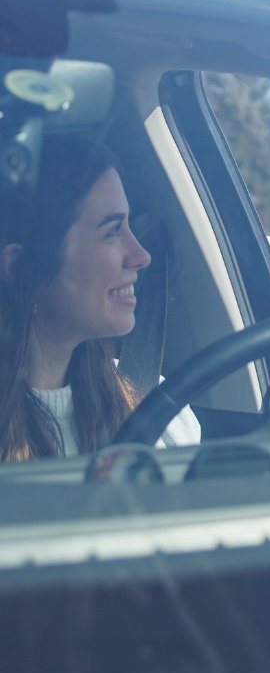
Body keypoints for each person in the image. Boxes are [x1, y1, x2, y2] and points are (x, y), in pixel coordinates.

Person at [0, 135, 200, 461]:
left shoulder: (159, 410)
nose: (141, 255)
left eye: (130, 227)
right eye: (112, 231)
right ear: (22, 265)